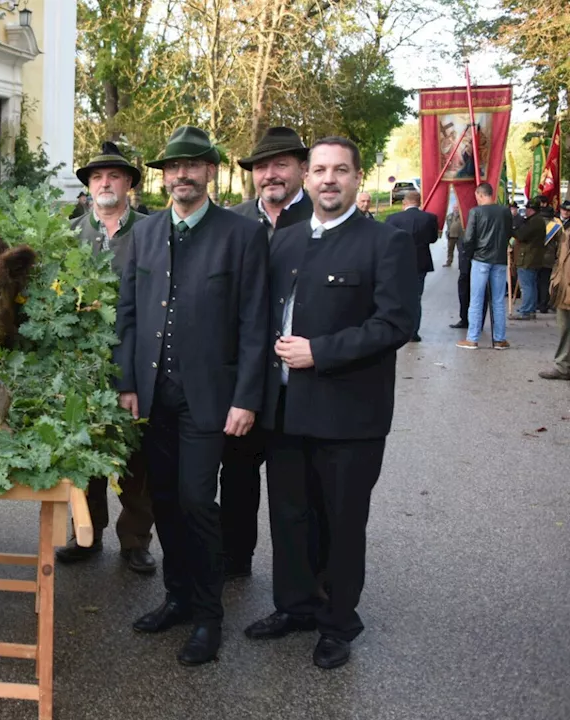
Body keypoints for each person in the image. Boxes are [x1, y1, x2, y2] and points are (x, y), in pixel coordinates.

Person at [246, 136, 417, 670]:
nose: (327, 179)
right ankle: (295, 606)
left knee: (343, 524)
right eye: (319, 169)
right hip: (287, 412)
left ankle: (338, 622)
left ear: (356, 177)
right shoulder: (286, 240)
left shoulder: (384, 242)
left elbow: (395, 324)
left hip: (349, 415)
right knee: (291, 518)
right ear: (306, 176)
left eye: (339, 170)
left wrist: (320, 352)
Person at [115, 125, 269, 666]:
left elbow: (256, 324)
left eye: (193, 166)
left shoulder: (241, 235)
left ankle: (209, 616)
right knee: (164, 500)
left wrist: (247, 397)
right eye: (172, 168)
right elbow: (129, 314)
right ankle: (177, 597)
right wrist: (127, 382)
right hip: (154, 395)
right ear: (164, 176)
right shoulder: (147, 233)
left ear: (210, 171)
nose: (181, 175)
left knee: (197, 501)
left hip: (211, 397)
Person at [58, 142, 157, 575]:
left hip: (132, 359)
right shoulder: (70, 234)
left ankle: (135, 540)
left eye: (113, 176)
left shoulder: (150, 232)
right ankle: (86, 533)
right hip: (81, 362)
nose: (104, 183)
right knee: (85, 452)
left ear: (129, 183)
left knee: (135, 457)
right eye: (97, 177)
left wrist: (133, 377)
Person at [222, 126, 313, 580]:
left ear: (301, 168)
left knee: (294, 490)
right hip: (242, 379)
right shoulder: (234, 221)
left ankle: (297, 582)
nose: (270, 174)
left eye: (281, 164)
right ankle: (235, 560)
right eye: (261, 166)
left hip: (298, 383)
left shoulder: (321, 218)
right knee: (236, 480)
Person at [457, 183, 513, 350]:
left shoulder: (476, 212)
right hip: (500, 260)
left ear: (479, 195)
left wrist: (468, 255)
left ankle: (472, 339)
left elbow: (469, 238)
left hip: (480, 259)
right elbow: (509, 232)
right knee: (498, 301)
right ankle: (500, 340)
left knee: (476, 299)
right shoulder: (505, 211)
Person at [385, 190, 439, 342]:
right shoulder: (430, 218)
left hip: (398, 263)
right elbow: (433, 239)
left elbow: (386, 241)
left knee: (397, 296)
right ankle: (413, 332)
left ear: (404, 203)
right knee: (416, 298)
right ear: (419, 202)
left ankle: (397, 328)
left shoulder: (393, 219)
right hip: (421, 263)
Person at [539, 206, 570, 381]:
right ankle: (563, 366)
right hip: (564, 286)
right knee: (565, 326)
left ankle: (563, 365)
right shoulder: (563, 228)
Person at [511, 195, 549, 321]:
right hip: (533, 257)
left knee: (527, 285)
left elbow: (521, 235)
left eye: (527, 209)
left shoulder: (534, 221)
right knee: (531, 284)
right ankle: (530, 309)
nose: (525, 211)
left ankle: (526, 310)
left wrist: (513, 229)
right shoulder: (536, 220)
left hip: (528, 257)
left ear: (531, 209)